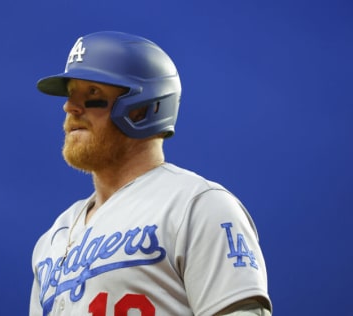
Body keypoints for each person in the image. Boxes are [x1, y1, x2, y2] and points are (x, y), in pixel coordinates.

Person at [30, 31, 272, 316]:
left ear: (141, 108)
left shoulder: (198, 207)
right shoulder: (53, 238)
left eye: (92, 93)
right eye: (71, 93)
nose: (70, 107)